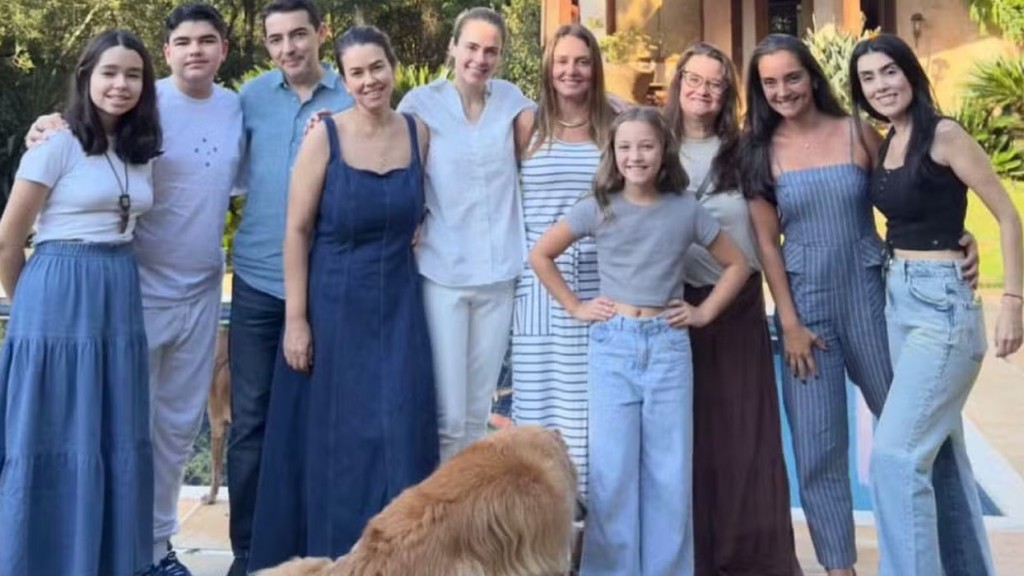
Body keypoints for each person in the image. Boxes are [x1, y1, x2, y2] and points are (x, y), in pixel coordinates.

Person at [739, 33, 983, 576]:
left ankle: (957, 561)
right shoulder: (757, 151)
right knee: (818, 446)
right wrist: (790, 322)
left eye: (792, 77)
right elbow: (767, 246)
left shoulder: (857, 131)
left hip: (874, 295)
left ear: (812, 77)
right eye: (770, 82)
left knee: (919, 436)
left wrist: (956, 234)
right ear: (759, 89)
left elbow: (908, 193)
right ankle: (838, 568)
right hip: (806, 308)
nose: (783, 90)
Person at [246, 25, 439, 571]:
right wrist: (297, 320)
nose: (369, 80)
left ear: (392, 67)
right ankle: (331, 562)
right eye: (357, 72)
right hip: (333, 307)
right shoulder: (324, 137)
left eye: (377, 67)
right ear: (345, 79)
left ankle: (400, 560)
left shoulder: (419, 133)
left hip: (400, 305)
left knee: (400, 428)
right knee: (339, 442)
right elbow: (296, 231)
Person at [530, 106, 749, 575]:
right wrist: (576, 306)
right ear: (612, 153)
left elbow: (738, 264)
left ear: (663, 150)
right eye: (625, 147)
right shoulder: (599, 206)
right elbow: (541, 254)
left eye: (646, 146)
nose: (635, 156)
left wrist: (704, 311)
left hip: (667, 348)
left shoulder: (685, 209)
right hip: (613, 347)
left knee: (669, 472)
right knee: (612, 473)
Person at [850, 33, 1023, 576]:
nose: (881, 85)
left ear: (910, 72)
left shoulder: (945, 135)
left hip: (942, 306)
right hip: (899, 299)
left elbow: (1008, 215)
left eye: (889, 71)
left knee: (896, 457)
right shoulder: (888, 140)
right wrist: (956, 234)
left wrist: (1013, 299)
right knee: (942, 456)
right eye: (868, 78)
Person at [0, 29, 161, 576]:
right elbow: (8, 239)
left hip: (117, 289)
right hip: (59, 292)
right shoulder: (57, 142)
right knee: (52, 431)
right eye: (109, 72)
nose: (121, 84)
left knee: (112, 432)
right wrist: (27, 309)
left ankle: (104, 561)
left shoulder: (139, 148)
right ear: (87, 76)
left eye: (133, 74)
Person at [226, 1, 353, 572]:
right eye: (275, 39)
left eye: (298, 35)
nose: (288, 49)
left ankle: (317, 549)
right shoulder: (249, 98)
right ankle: (249, 554)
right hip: (257, 280)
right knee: (250, 422)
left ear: (321, 33)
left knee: (322, 421)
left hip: (326, 282)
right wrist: (55, 124)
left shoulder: (351, 94)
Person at [666, 41, 801, 575]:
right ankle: (694, 559)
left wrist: (787, 318)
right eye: (694, 79)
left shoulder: (744, 151)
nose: (703, 91)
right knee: (689, 439)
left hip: (737, 308)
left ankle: (751, 560)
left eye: (715, 83)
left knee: (745, 437)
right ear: (679, 82)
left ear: (727, 94)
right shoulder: (654, 142)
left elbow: (767, 240)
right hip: (675, 309)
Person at [397, 7, 533, 462]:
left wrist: (612, 102)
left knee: (477, 417)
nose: (480, 58)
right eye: (471, 47)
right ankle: (439, 501)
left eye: (491, 50)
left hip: (499, 274)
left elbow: (562, 124)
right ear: (452, 47)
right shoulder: (420, 103)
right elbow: (389, 155)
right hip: (444, 272)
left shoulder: (511, 100)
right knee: (448, 417)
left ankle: (467, 504)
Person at [510, 23, 614, 501]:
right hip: (537, 286)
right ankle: (541, 527)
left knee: (589, 415)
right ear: (548, 68)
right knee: (536, 416)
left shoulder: (613, 126)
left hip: (596, 283)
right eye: (562, 61)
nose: (571, 71)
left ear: (595, 68)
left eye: (582, 61)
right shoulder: (527, 126)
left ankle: (591, 529)